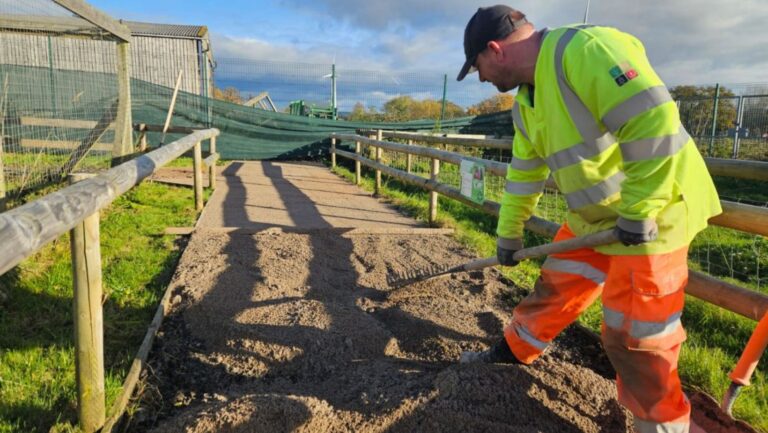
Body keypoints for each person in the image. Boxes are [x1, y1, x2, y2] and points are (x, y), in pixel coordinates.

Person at [456, 5, 722, 433]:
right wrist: (508, 234)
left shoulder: (584, 50)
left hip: (654, 214)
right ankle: (511, 354)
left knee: (636, 340)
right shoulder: (526, 101)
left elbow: (653, 122)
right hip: (597, 219)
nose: (482, 78)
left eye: (478, 67)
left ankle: (661, 425)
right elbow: (525, 174)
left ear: (494, 49)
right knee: (553, 287)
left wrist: (639, 210)